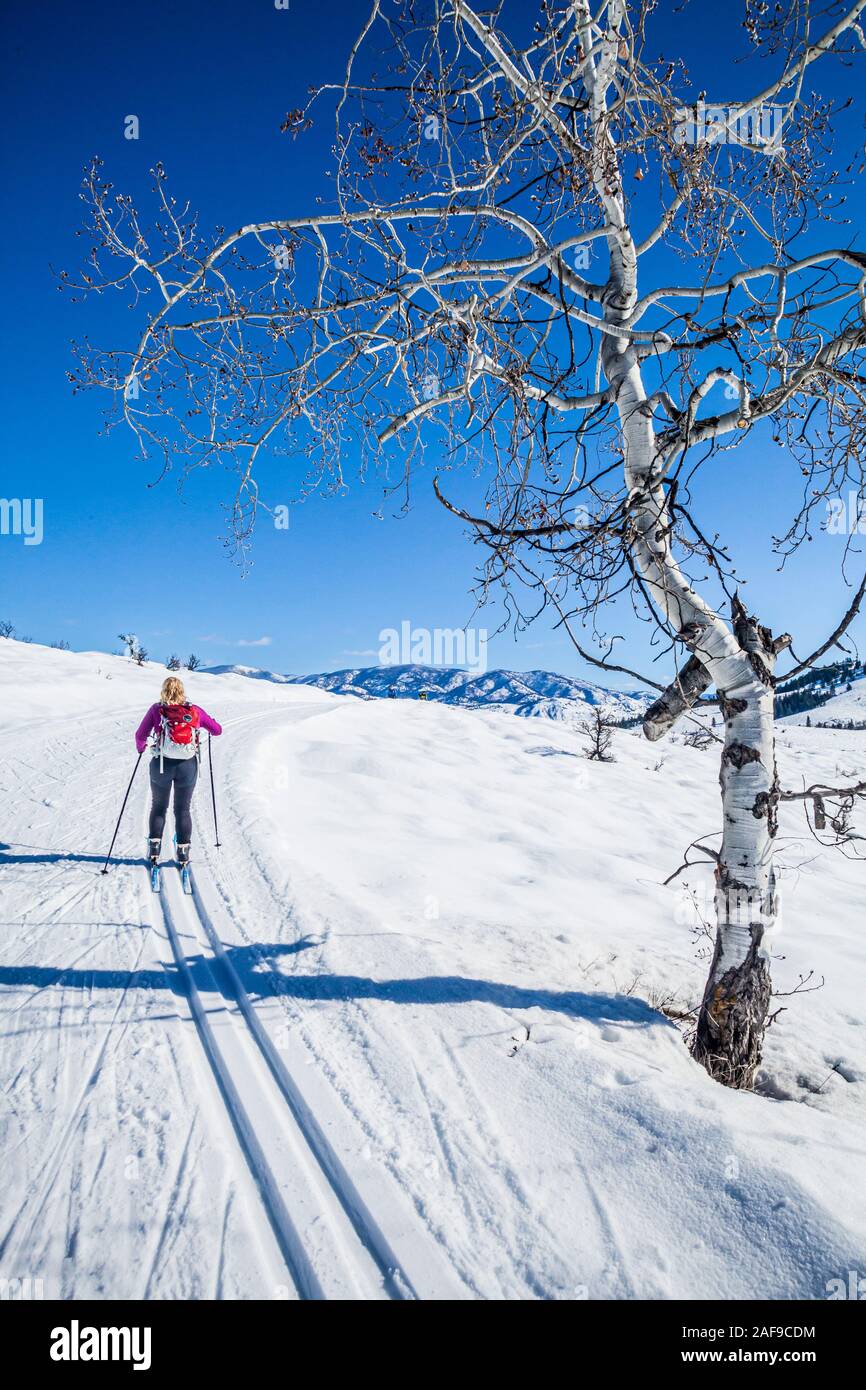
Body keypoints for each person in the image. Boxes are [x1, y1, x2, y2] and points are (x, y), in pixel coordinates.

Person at [135, 676, 222, 868]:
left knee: (158, 807)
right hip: (187, 766)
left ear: (163, 691)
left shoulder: (157, 710)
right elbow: (217, 730)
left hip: (161, 765)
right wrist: (208, 724)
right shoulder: (194, 711)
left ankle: (154, 849)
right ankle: (183, 852)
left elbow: (140, 735)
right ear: (182, 691)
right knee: (182, 809)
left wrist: (141, 748)